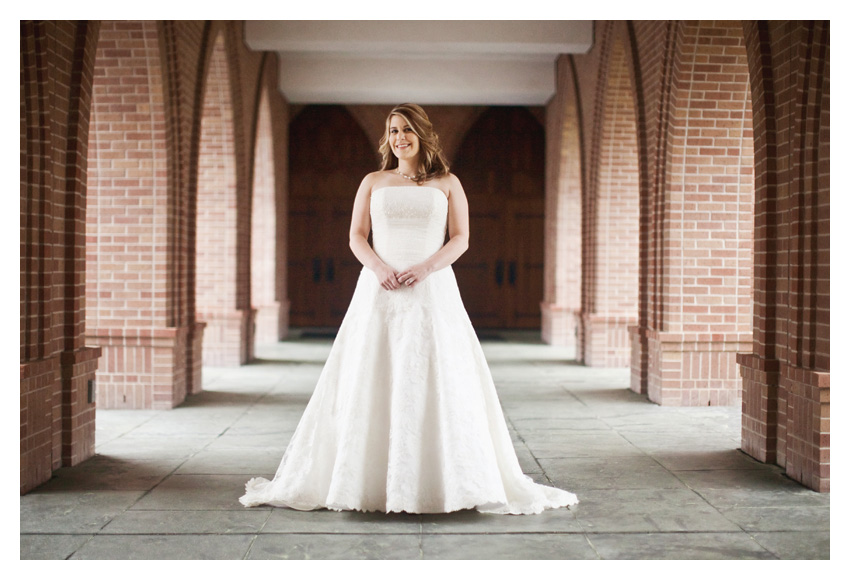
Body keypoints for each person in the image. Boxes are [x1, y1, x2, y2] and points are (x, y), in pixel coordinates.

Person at [239, 103, 578, 514]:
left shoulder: (448, 183)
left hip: (431, 291)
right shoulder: (372, 181)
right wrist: (379, 267)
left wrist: (425, 268)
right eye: (393, 130)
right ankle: (364, 481)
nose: (400, 137)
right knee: (371, 372)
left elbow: (461, 238)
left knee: (435, 374)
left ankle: (442, 481)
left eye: (407, 130)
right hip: (379, 289)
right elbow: (356, 236)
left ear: (422, 134)